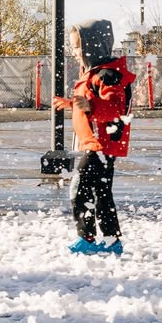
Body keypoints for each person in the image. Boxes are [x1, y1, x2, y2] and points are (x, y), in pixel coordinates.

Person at [53, 19, 136, 255]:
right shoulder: (94, 74)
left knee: (79, 189)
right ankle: (111, 240)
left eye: (78, 47)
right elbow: (93, 104)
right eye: (73, 47)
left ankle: (87, 238)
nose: (75, 52)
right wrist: (73, 104)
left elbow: (115, 108)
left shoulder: (107, 75)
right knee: (101, 193)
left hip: (100, 145)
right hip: (98, 145)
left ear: (93, 46)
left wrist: (89, 105)